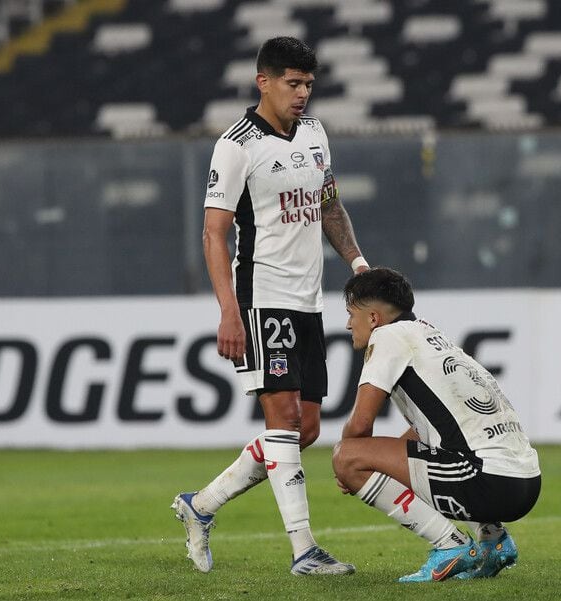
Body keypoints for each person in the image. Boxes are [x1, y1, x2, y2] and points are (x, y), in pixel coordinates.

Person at [171, 36, 369, 576]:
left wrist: (357, 265)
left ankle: (201, 504)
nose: (303, 94)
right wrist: (229, 311)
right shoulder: (237, 145)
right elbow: (215, 235)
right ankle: (305, 550)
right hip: (262, 298)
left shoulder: (314, 133)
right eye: (293, 83)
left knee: (303, 430)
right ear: (264, 82)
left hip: (308, 301)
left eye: (309, 84)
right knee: (281, 422)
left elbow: (328, 205)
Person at [332, 267, 541, 582]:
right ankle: (493, 540)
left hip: (488, 479)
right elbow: (428, 433)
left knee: (346, 455)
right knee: (413, 453)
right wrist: (381, 461)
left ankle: (450, 545)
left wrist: (349, 465)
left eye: (351, 314)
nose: (348, 324)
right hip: (525, 479)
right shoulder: (429, 334)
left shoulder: (387, 337)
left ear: (373, 318)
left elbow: (360, 426)